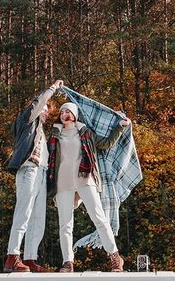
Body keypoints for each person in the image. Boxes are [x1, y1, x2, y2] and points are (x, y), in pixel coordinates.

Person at [47, 101, 131, 272]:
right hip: (63, 182)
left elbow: (107, 143)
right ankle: (68, 262)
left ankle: (115, 257)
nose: (64, 114)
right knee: (65, 224)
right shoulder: (55, 134)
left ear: (75, 114)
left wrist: (120, 126)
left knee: (99, 218)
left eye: (68, 111)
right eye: (62, 112)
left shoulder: (85, 133)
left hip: (85, 179)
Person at [4, 79, 64, 272]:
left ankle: (30, 258)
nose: (45, 111)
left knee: (38, 218)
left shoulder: (40, 131)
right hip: (28, 169)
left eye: (47, 109)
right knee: (24, 212)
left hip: (41, 173)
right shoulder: (26, 120)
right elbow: (38, 103)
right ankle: (12, 256)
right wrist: (53, 88)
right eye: (43, 108)